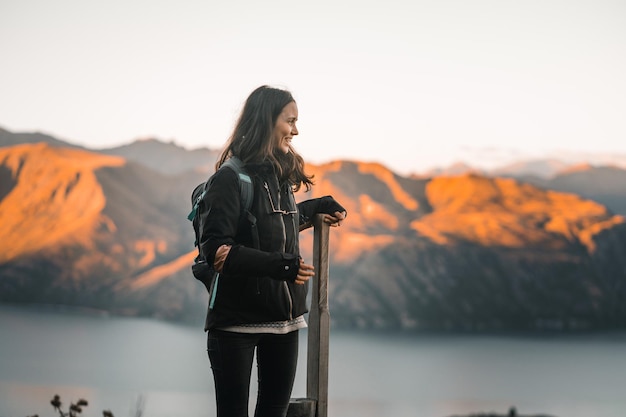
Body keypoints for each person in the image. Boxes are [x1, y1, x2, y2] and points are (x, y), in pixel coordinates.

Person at [198, 85, 347, 417]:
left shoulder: (279, 174)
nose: (296, 130)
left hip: (284, 322)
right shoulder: (229, 178)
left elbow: (270, 227)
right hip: (235, 325)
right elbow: (218, 251)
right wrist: (283, 267)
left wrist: (317, 208)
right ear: (267, 121)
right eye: (290, 121)